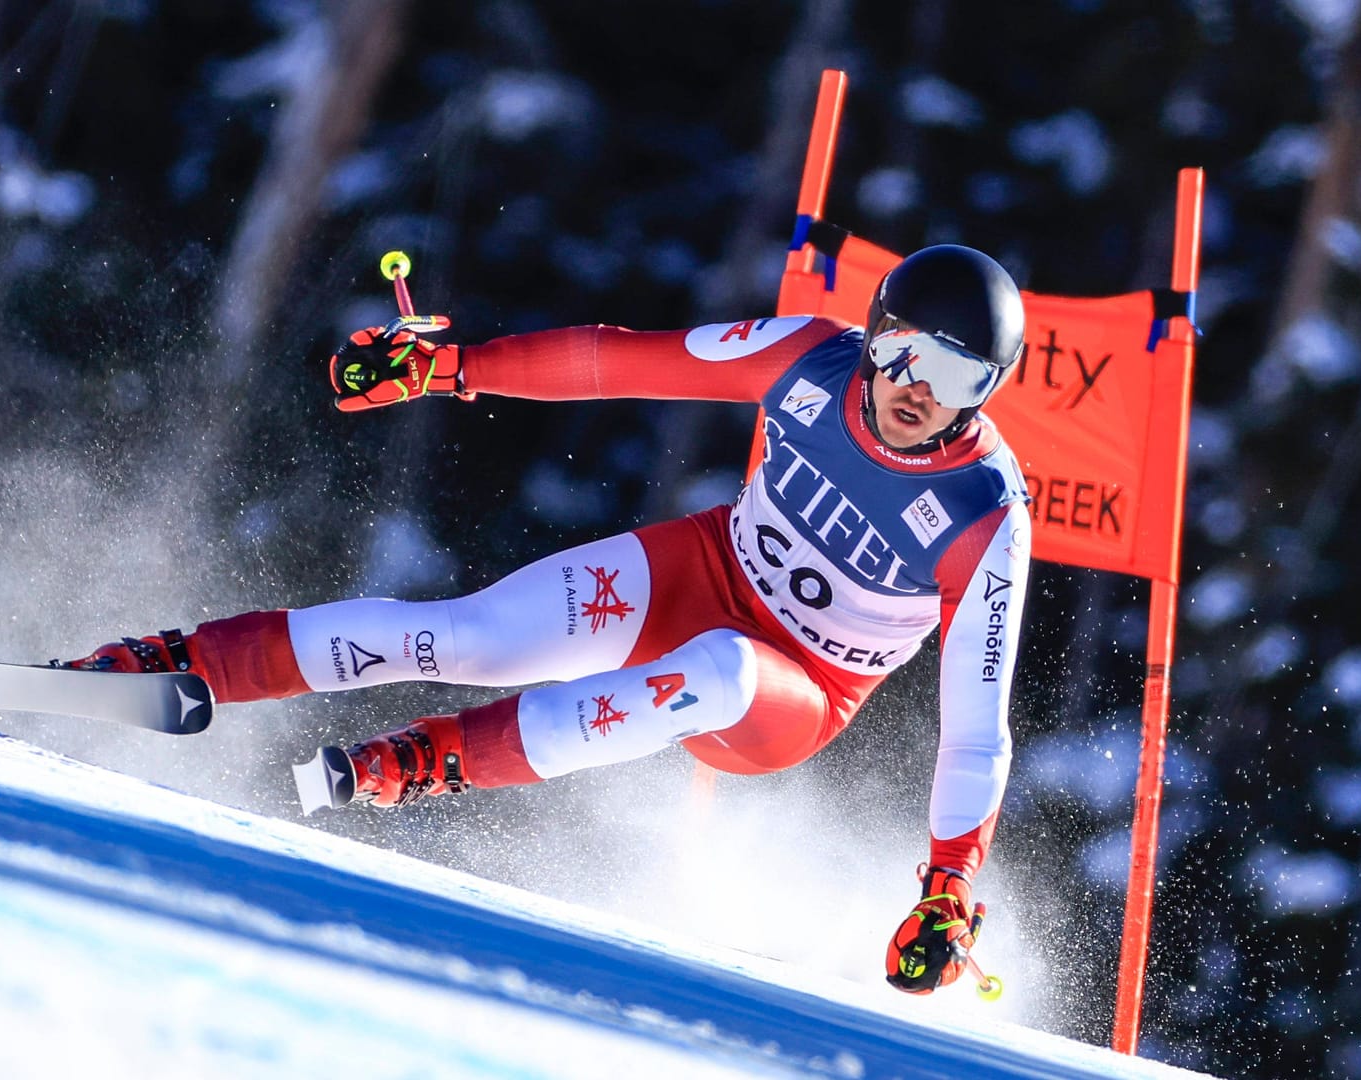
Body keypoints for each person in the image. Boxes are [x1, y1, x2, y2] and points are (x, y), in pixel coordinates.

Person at [61, 245, 1032, 995]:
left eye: (954, 378)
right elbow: (618, 361)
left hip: (793, 690)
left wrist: (947, 885)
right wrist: (449, 370)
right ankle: (164, 666)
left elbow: (977, 723)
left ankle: (428, 758)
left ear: (985, 394)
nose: (916, 391)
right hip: (703, 570)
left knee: (723, 669)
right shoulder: (806, 359)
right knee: (470, 634)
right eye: (904, 353)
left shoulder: (983, 512)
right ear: (873, 335)